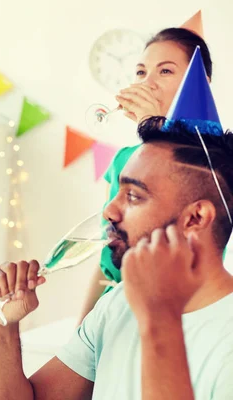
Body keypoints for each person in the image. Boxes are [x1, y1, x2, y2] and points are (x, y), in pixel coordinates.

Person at [0, 114, 233, 399]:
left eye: (134, 195)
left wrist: (160, 318)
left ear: (196, 218)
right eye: (118, 191)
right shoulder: (118, 302)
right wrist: (1, 323)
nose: (109, 211)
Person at [78, 27, 216, 323]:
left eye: (165, 71)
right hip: (116, 312)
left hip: (179, 316)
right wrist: (83, 325)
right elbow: (109, 251)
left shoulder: (216, 160)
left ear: (200, 82)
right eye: (141, 73)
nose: (147, 83)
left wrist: (153, 127)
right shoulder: (123, 159)